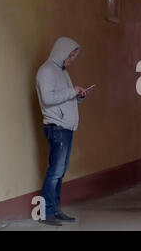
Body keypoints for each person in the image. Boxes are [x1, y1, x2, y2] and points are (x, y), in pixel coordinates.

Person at [36, 37, 92, 226]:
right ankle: (46, 212)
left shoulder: (62, 72)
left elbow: (66, 98)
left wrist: (79, 96)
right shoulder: (46, 71)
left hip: (65, 127)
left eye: (73, 56)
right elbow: (48, 98)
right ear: (61, 52)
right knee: (55, 171)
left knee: (60, 172)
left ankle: (55, 209)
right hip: (56, 127)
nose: (72, 59)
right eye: (70, 55)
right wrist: (72, 92)